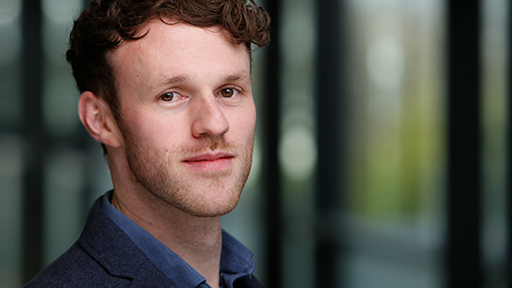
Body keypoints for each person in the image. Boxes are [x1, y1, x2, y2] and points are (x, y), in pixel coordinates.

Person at [24, 0, 270, 287]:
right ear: (100, 120)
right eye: (170, 96)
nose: (215, 124)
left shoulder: (239, 279)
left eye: (229, 91)